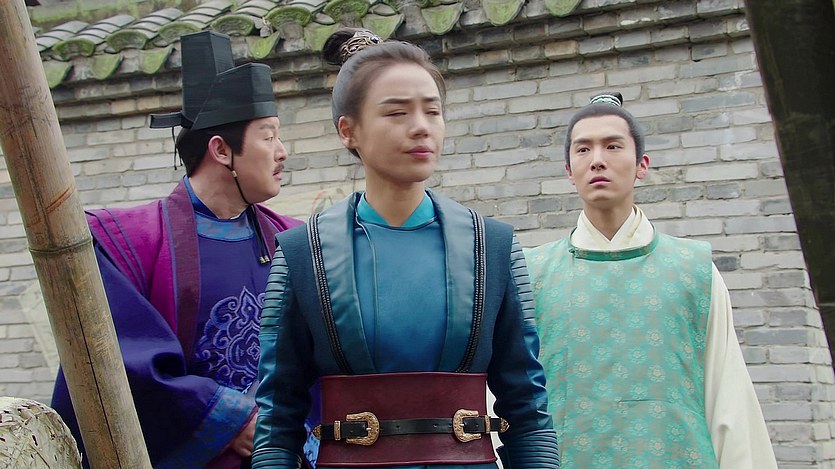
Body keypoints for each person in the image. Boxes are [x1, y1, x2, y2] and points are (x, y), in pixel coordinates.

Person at [251, 28, 560, 469]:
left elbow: (527, 411)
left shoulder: (492, 248)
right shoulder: (304, 254)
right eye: (397, 112)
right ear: (348, 131)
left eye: (432, 111)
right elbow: (278, 423)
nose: (421, 126)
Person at [50, 31, 315, 468]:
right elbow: (117, 363)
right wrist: (232, 419)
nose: (282, 152)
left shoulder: (296, 241)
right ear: (221, 150)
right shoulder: (126, 242)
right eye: (268, 137)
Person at [524, 92, 778, 468]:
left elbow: (729, 398)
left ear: (642, 165)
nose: (597, 160)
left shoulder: (694, 270)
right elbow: (512, 400)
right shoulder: (532, 275)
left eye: (613, 146)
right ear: (568, 170)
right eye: (583, 149)